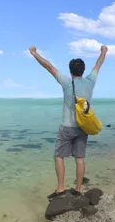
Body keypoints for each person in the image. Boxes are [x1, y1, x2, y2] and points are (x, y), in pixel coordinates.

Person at [28, 45, 108, 199]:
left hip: (67, 127)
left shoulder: (66, 82)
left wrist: (34, 53)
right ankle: (78, 190)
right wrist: (103, 51)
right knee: (80, 159)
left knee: (58, 156)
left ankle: (60, 190)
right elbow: (98, 64)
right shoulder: (90, 81)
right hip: (83, 127)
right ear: (83, 70)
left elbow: (49, 67)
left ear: (70, 71)